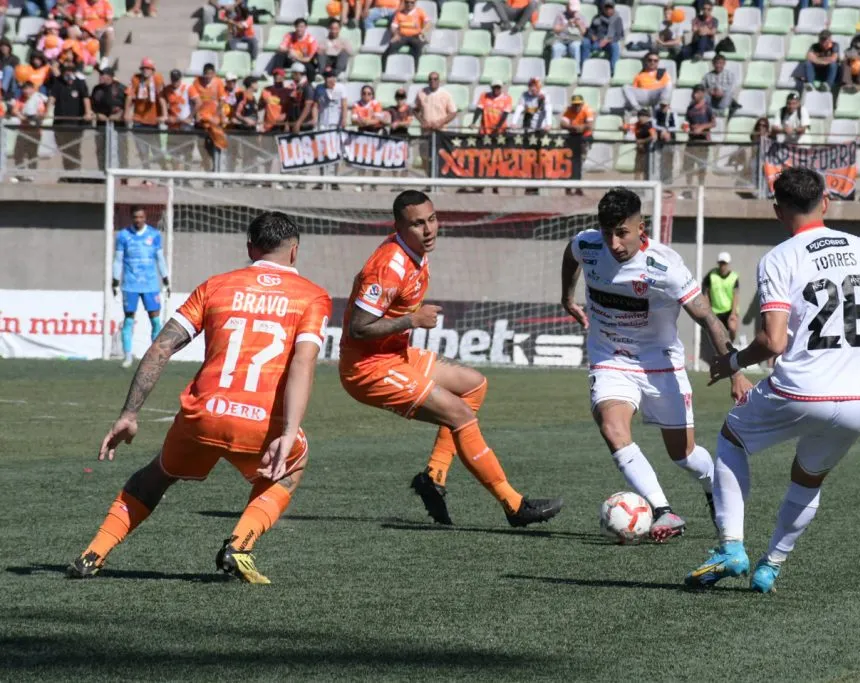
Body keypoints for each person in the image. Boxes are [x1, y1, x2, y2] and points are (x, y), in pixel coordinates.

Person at [684, 167, 860, 593]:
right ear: (825, 202)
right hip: (857, 399)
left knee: (732, 439)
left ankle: (731, 547)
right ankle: (770, 565)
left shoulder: (780, 257)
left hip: (799, 388)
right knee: (808, 477)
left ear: (778, 210)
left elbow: (773, 342)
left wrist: (732, 360)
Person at [68, 212, 332, 584]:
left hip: (203, 414)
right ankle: (239, 546)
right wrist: (288, 431)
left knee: (155, 476)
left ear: (250, 248)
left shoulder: (217, 286)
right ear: (294, 253)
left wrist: (130, 413)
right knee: (290, 468)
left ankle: (93, 552)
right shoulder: (313, 297)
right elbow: (304, 362)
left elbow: (161, 347)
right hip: (260, 422)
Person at [340, 191, 564, 527]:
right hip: (368, 369)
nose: (428, 229)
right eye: (417, 223)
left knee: (474, 385)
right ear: (399, 226)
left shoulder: (417, 251)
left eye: (432, 219)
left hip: (394, 355)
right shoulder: (390, 265)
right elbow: (358, 328)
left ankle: (434, 477)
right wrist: (412, 321)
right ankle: (514, 505)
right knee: (460, 416)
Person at [559, 187, 752, 542]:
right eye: (607, 232)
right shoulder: (588, 245)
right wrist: (567, 297)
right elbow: (571, 256)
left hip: (661, 365)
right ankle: (663, 511)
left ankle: (713, 488)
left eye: (622, 233)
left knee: (684, 455)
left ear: (641, 228)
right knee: (612, 428)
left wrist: (736, 370)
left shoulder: (665, 267)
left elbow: (707, 317)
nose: (614, 243)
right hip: (611, 359)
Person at [112, 207, 170, 367]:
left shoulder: (154, 235)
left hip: (151, 285)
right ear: (132, 218)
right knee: (129, 320)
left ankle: (154, 356)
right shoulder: (123, 236)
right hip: (130, 285)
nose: (138, 220)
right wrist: (115, 281)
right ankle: (128, 356)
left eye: (141, 217)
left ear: (145, 218)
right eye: (136, 217)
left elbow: (160, 258)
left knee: (156, 321)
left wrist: (165, 279)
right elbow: (118, 260)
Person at [47, 64, 93, 177]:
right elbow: (52, 97)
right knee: (64, 149)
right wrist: (47, 112)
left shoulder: (80, 83)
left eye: (71, 71)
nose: (68, 73)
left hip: (76, 124)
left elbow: (85, 98)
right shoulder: (58, 82)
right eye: (66, 71)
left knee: (74, 149)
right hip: (60, 123)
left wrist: (88, 112)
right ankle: (68, 173)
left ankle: (75, 173)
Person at [125, 57, 166, 170]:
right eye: (144, 68)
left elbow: (162, 98)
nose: (146, 71)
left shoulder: (158, 79)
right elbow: (130, 96)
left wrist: (164, 114)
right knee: (142, 151)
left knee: (156, 150)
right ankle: (147, 175)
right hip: (139, 119)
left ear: (153, 70)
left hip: (153, 120)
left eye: (148, 68)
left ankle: (164, 172)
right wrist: (127, 113)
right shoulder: (135, 78)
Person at [413, 71, 457, 175]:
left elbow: (453, 112)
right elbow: (415, 110)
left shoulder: (445, 95)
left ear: (439, 81)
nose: (433, 81)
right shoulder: (421, 93)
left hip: (440, 132)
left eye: (435, 79)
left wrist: (441, 122)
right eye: (431, 79)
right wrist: (422, 122)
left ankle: (437, 181)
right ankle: (429, 181)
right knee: (425, 157)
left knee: (439, 156)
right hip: (426, 132)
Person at [90, 66, 127, 171]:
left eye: (103, 74)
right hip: (101, 125)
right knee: (101, 149)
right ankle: (103, 173)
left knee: (121, 150)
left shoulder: (121, 88)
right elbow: (92, 106)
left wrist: (120, 114)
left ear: (110, 76)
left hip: (118, 126)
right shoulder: (96, 89)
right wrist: (97, 114)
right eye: (100, 74)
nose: (100, 77)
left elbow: (129, 104)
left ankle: (123, 175)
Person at [11, 80, 48, 177]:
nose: (26, 91)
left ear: (32, 89)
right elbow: (15, 110)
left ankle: (32, 174)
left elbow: (41, 113)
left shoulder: (38, 99)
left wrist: (35, 117)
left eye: (28, 89)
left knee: (32, 153)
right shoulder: (21, 99)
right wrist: (21, 116)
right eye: (24, 89)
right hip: (23, 130)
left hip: (35, 131)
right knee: (18, 153)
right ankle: (20, 173)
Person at [702, 252, 739, 342]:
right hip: (716, 310)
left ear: (728, 264)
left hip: (729, 310)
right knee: (718, 334)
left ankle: (731, 344)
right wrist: (708, 309)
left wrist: (733, 313)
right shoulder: (711, 275)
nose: (723, 266)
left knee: (733, 328)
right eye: (721, 263)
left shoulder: (734, 277)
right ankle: (721, 351)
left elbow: (736, 295)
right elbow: (706, 293)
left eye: (724, 263)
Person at [683, 84, 714, 189]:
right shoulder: (690, 108)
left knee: (701, 166)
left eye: (697, 92)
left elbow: (713, 123)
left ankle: (701, 187)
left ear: (702, 94)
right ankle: (689, 188)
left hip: (703, 141)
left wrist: (702, 127)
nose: (694, 94)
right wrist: (685, 127)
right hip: (691, 140)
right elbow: (687, 122)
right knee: (689, 166)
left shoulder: (707, 107)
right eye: (694, 92)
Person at [581, 0, 624, 74]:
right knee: (585, 42)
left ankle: (613, 70)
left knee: (615, 46)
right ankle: (584, 67)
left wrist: (607, 40)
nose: (608, 10)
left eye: (610, 8)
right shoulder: (597, 17)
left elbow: (619, 35)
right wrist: (592, 36)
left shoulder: (617, 19)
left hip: (608, 43)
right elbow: (590, 31)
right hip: (596, 42)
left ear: (613, 8)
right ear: (603, 8)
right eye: (606, 8)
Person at [385, 0, 429, 67]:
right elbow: (393, 26)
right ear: (404, 3)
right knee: (391, 47)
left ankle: (414, 70)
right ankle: (386, 69)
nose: (409, 4)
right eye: (407, 2)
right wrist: (395, 34)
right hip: (402, 36)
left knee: (418, 49)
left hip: (415, 36)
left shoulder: (420, 11)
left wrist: (423, 32)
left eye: (412, 2)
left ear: (415, 3)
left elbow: (428, 23)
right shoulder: (399, 13)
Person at [550, 0, 587, 70]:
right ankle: (555, 70)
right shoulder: (560, 15)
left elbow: (584, 32)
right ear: (567, 7)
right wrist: (567, 24)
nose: (573, 12)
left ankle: (576, 71)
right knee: (556, 48)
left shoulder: (581, 17)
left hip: (574, 39)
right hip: (561, 40)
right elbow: (555, 29)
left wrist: (579, 25)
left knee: (576, 47)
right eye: (572, 10)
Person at [625, 108, 656, 180]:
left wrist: (642, 141)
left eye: (642, 116)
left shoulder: (650, 125)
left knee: (647, 170)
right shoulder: (637, 125)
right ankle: (637, 185)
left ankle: (647, 186)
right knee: (637, 169)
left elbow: (653, 136)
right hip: (640, 150)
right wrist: (623, 127)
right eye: (639, 116)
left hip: (648, 151)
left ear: (647, 117)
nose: (640, 118)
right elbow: (629, 127)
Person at [314, 66, 346, 131]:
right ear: (324, 78)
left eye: (332, 76)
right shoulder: (319, 88)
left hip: (336, 123)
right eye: (328, 76)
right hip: (323, 123)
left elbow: (344, 105)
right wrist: (315, 120)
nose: (330, 79)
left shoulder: (341, 87)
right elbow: (315, 106)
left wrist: (344, 119)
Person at [286, 63, 316, 132]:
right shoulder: (296, 87)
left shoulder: (307, 87)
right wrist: (287, 122)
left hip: (304, 125)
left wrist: (298, 123)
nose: (292, 76)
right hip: (294, 123)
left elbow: (307, 107)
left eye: (293, 73)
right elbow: (291, 106)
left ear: (298, 73)